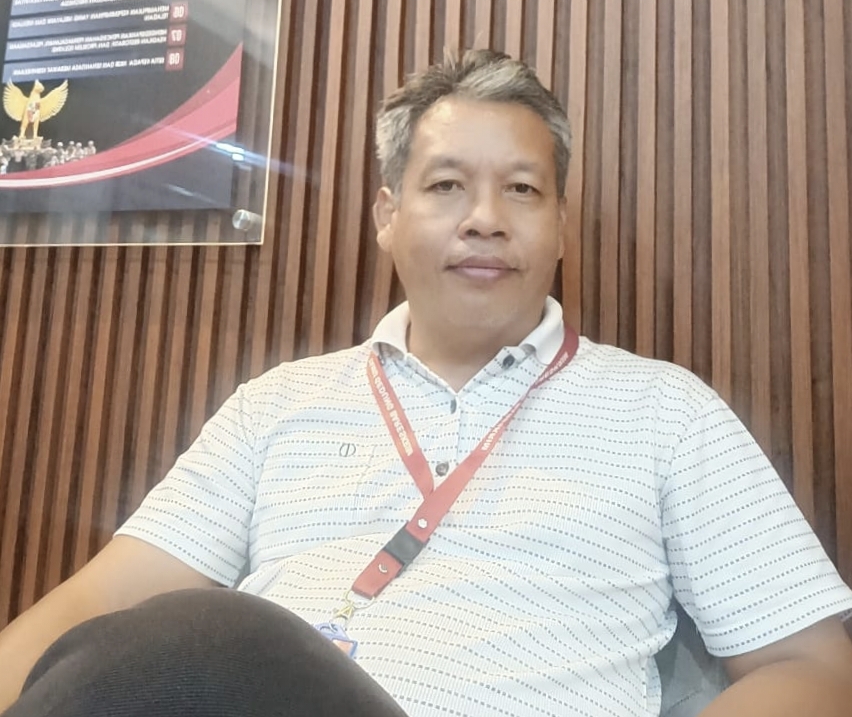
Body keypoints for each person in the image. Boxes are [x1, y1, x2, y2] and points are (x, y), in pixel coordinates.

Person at [1, 49, 852, 717]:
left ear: (560, 225)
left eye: (522, 189)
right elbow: (99, 607)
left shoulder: (665, 412)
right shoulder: (279, 403)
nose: (485, 218)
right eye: (447, 186)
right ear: (387, 216)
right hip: (271, 693)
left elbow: (814, 667)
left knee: (208, 641)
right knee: (170, 645)